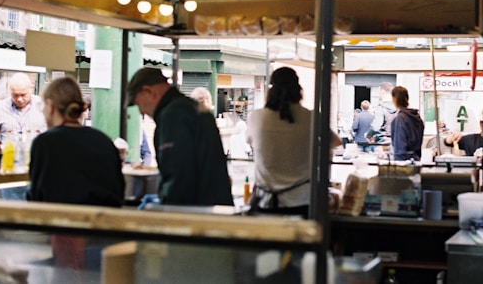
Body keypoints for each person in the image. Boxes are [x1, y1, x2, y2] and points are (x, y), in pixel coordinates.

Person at [126, 67, 233, 206]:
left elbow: (178, 179)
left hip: (194, 215)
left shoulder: (173, 116)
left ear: (148, 92)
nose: (141, 112)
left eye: (137, 103)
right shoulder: (190, 108)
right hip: (213, 209)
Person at [245, 67, 341, 217]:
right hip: (302, 202)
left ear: (270, 89)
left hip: (266, 202)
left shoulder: (255, 117)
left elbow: (251, 142)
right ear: (298, 89)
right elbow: (336, 141)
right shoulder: (311, 117)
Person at [26, 76, 124, 207]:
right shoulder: (103, 140)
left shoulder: (44, 142)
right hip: (103, 223)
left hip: (59, 222)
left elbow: (37, 195)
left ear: (50, 106)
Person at [0, 72, 47, 159]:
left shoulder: (44, 107)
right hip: (7, 164)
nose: (19, 99)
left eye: (23, 95)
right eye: (15, 95)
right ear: (9, 90)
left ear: (30, 89)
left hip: (37, 163)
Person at [390, 86, 424, 161]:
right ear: (407, 98)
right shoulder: (417, 117)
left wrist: (398, 164)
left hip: (403, 161)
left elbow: (400, 146)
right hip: (416, 159)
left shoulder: (400, 118)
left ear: (394, 99)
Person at [365, 82, 396, 147]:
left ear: (382, 91)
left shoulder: (381, 108)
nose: (378, 95)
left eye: (378, 92)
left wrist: (368, 135)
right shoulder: (399, 107)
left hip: (383, 143)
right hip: (397, 142)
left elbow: (376, 127)